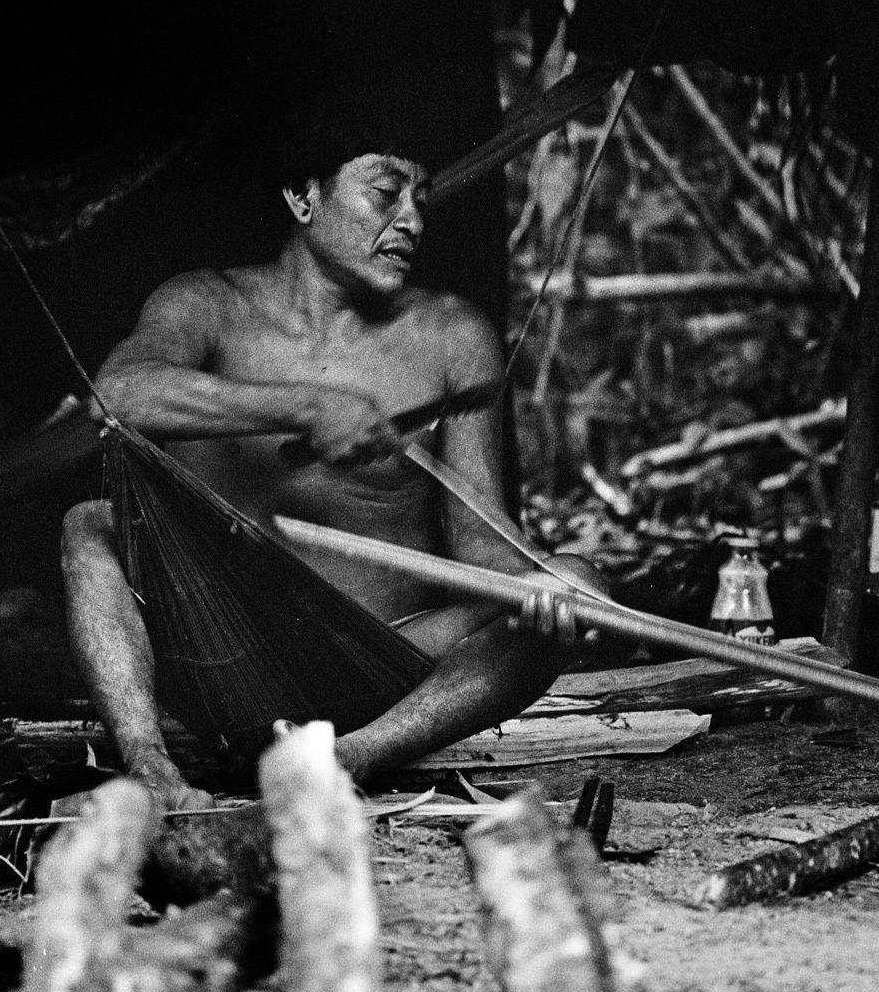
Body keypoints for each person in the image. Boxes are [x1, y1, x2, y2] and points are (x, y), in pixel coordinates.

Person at [60, 83, 608, 811]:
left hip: (386, 662)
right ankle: (152, 769)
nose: (412, 219)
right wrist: (304, 406)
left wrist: (552, 590)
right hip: (218, 652)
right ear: (302, 196)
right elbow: (118, 396)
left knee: (571, 572)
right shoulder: (207, 303)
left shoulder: (452, 335)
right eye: (386, 193)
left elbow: (482, 547)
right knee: (87, 523)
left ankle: (344, 762)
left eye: (421, 197)